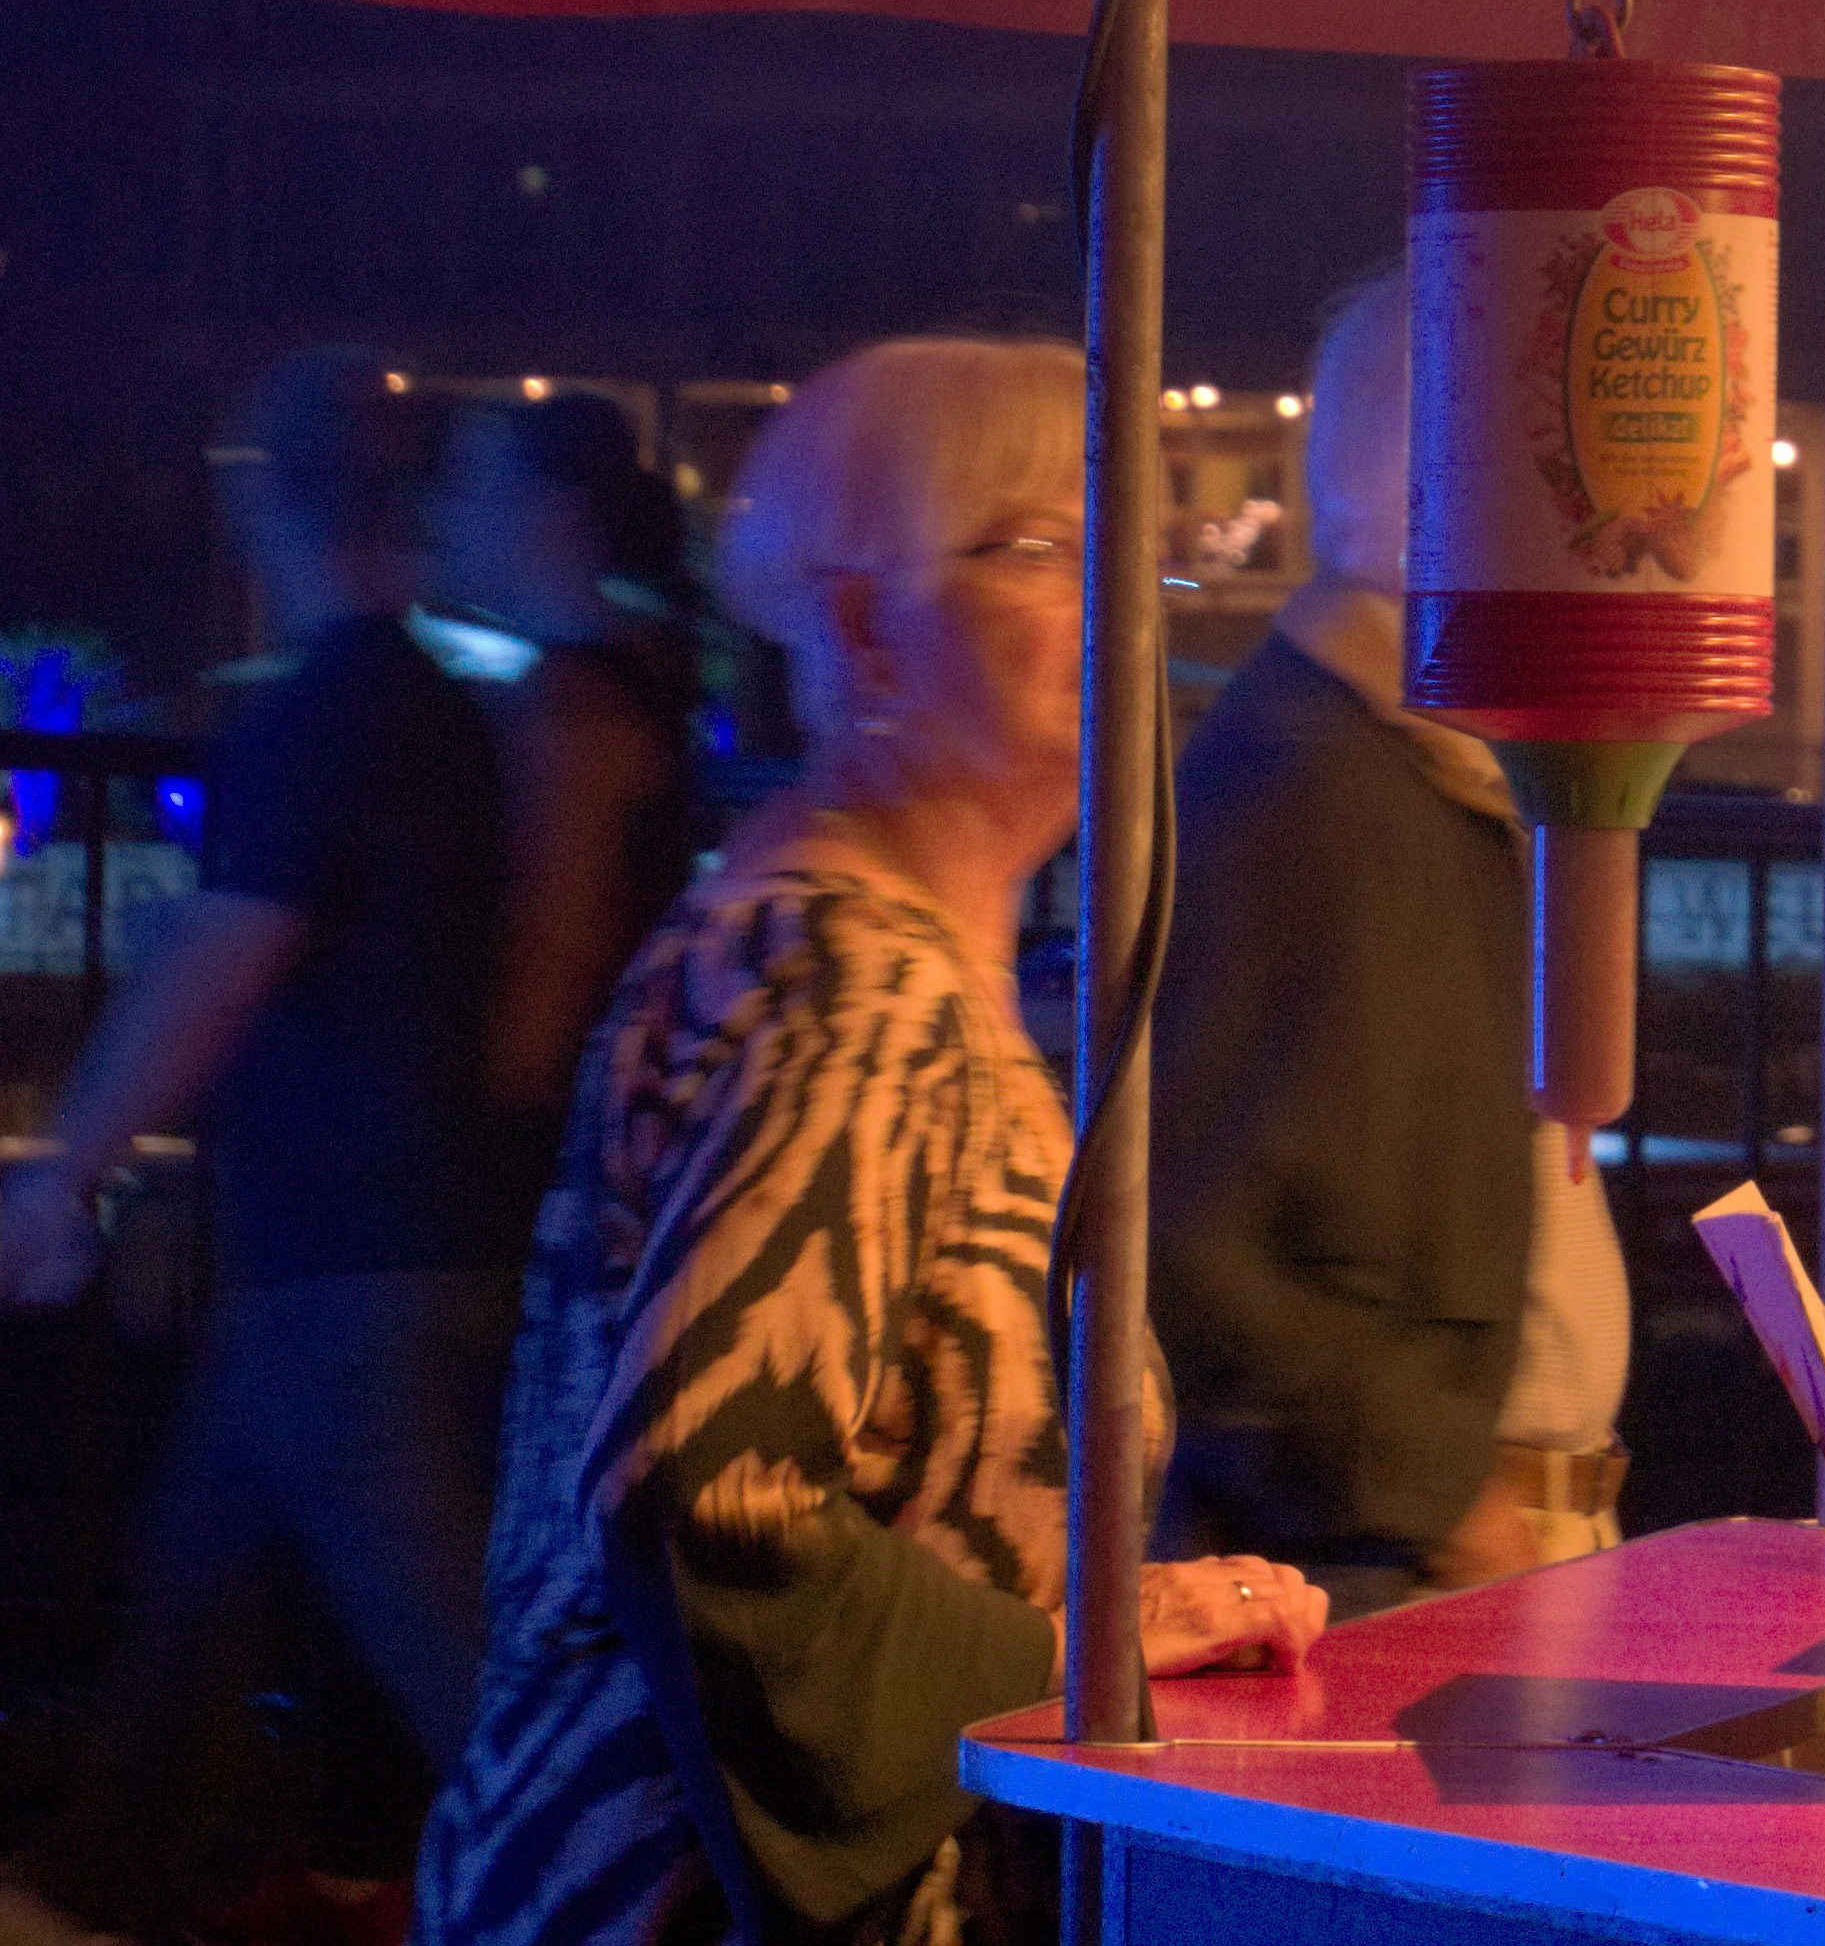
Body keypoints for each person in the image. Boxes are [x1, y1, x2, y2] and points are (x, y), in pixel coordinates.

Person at [414, 339, 1330, 1946]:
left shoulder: (890, 955)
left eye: (1134, 545)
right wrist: (1090, 1648)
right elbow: (716, 1495)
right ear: (860, 629)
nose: (1126, 602)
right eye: (1045, 547)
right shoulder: (844, 975)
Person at [0, 349, 534, 1933]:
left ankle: (632, 1895)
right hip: (393, 1250)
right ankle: (85, 1887)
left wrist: (65, 1167)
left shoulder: (326, 711)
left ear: (270, 511)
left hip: (345, 1274)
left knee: (465, 1683)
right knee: (194, 1607)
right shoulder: (444, 707)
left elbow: (221, 960)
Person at [1152, 269, 1632, 1618]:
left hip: (1448, 1547)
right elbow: (1201, 1244)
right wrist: (1436, 1495)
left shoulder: (1417, 776)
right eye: (1567, 473)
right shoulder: (1309, 790)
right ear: (1440, 486)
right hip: (1388, 1575)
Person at [429, 388, 707, 1126]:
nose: (440, 515)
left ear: (549, 510)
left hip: (546, 1133)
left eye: (470, 488)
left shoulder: (571, 710)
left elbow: (549, 965)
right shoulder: (639, 665)